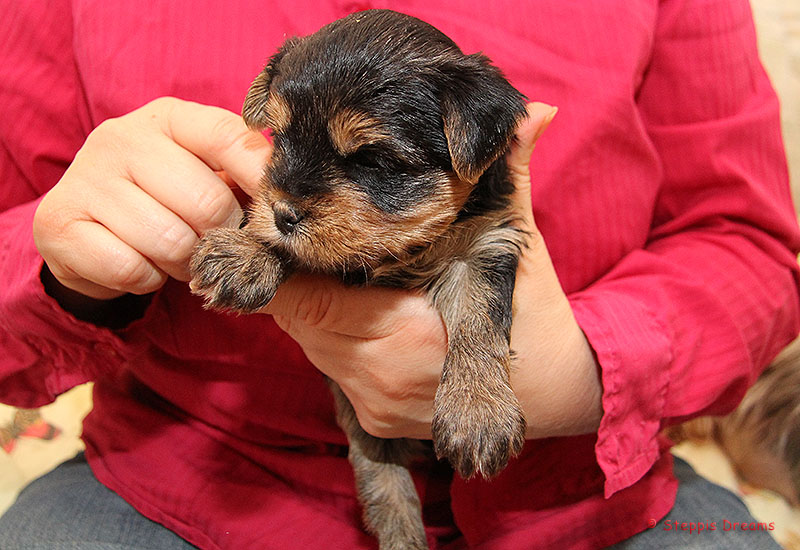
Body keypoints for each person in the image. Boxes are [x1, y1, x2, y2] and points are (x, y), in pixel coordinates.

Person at [0, 1, 796, 548]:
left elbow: (747, 240)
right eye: (282, 142)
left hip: (583, 493)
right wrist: (74, 268)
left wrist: (586, 371)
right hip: (192, 475)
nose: (290, 198)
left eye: (373, 159)